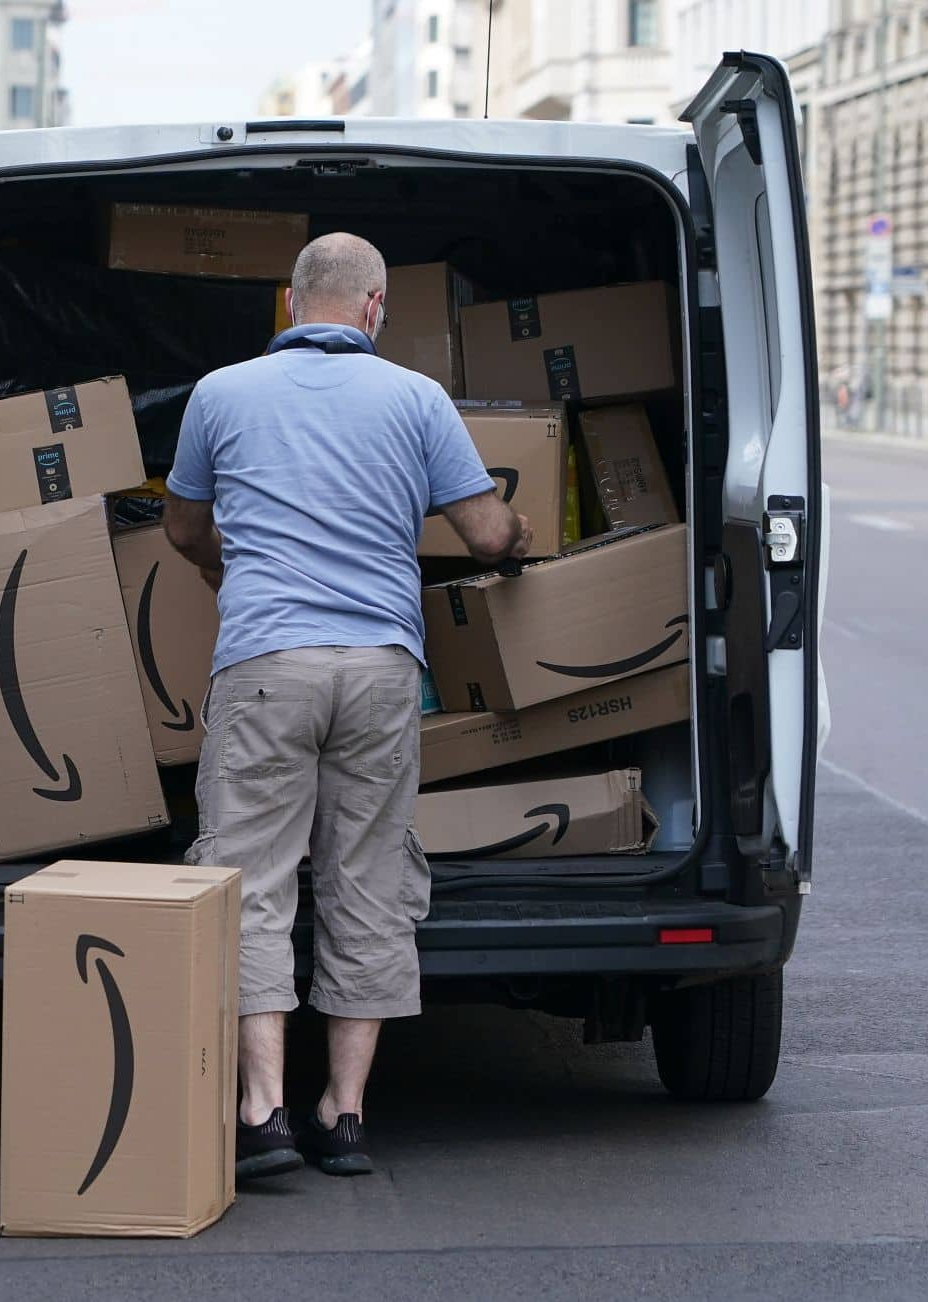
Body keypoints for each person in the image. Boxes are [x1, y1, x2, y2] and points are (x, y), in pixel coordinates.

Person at [162, 232, 530, 1182]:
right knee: (367, 878)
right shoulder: (416, 398)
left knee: (252, 877)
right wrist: (523, 532)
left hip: (266, 663)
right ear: (374, 310)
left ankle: (266, 1110)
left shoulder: (221, 393)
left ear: (291, 305)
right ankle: (348, 1111)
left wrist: (225, 567)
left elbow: (182, 527)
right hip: (378, 670)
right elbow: (487, 534)